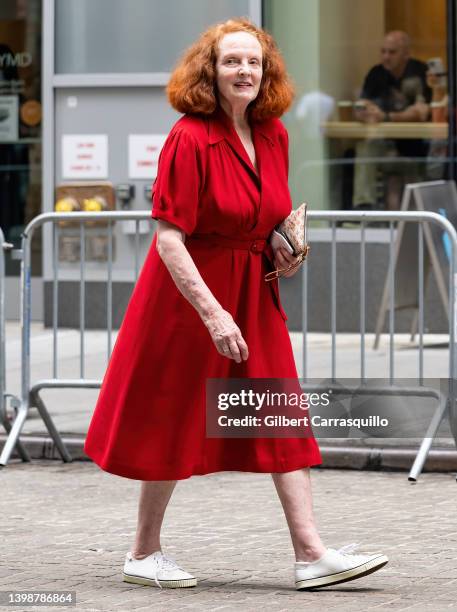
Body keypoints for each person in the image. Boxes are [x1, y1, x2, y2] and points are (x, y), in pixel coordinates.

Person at [83, 18, 388, 591]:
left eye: (254, 62)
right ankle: (144, 553)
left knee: (279, 410)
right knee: (175, 417)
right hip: (188, 298)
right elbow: (170, 237)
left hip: (254, 288)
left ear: (264, 71)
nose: (245, 71)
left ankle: (311, 553)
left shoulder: (274, 133)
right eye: (232, 62)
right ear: (211, 71)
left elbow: (263, 214)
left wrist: (284, 246)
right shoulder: (188, 138)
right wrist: (213, 313)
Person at [352, 31, 432, 211]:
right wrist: (363, 111)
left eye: (392, 52)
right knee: (365, 148)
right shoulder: (376, 73)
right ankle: (363, 208)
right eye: (383, 51)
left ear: (406, 54)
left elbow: (421, 113)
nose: (386, 57)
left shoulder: (420, 72)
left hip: (416, 146)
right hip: (383, 143)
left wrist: (385, 116)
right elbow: (362, 104)